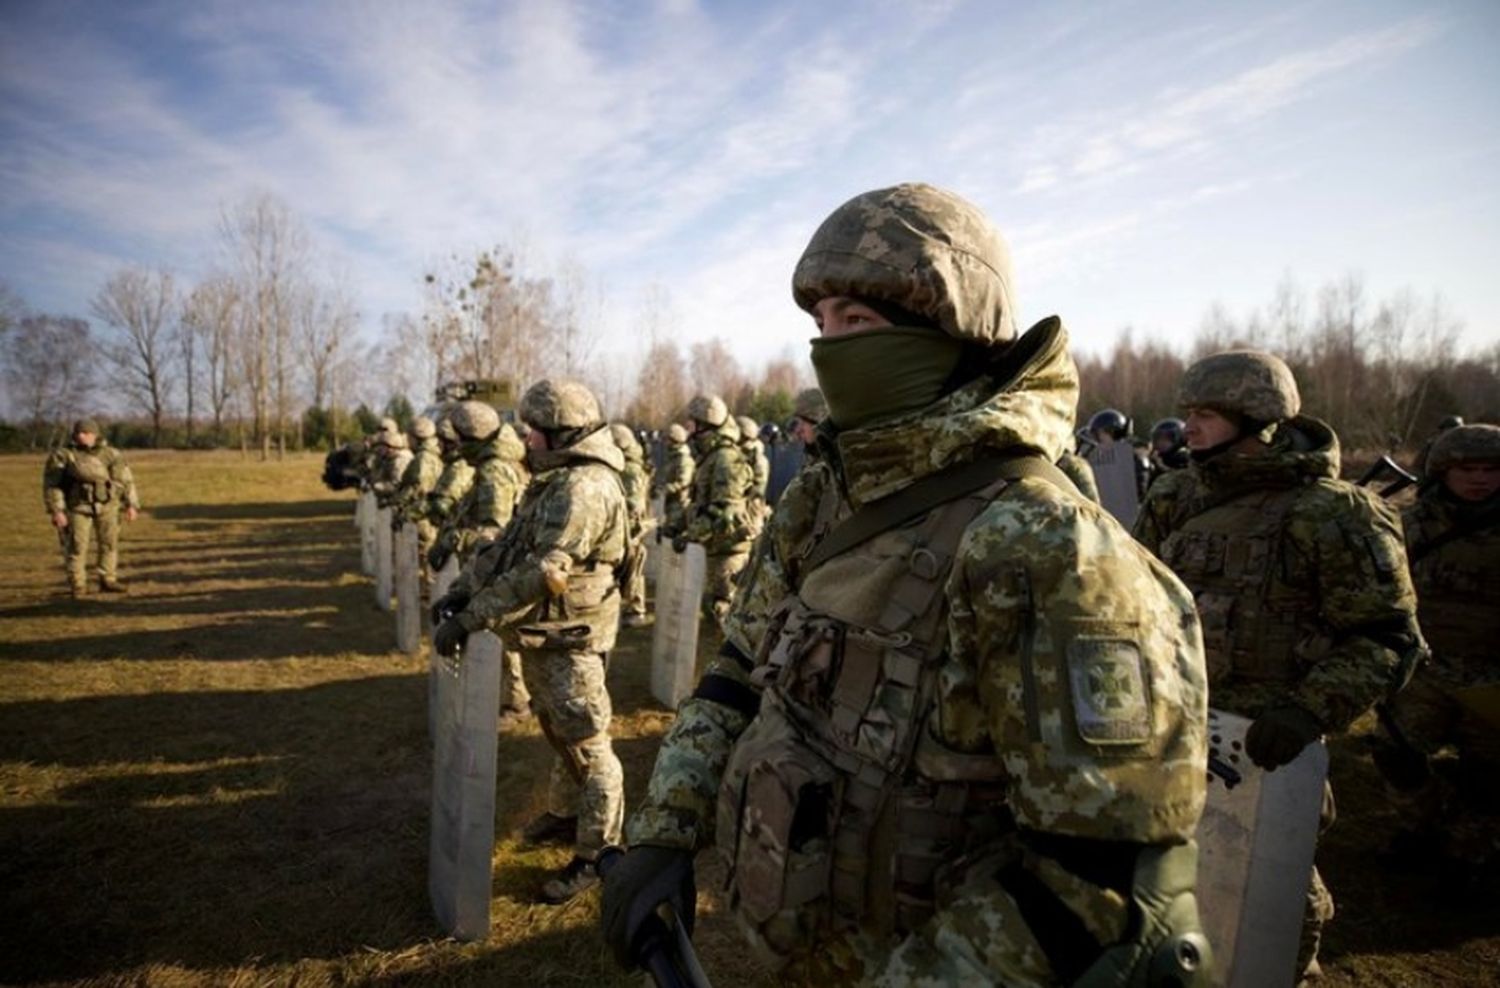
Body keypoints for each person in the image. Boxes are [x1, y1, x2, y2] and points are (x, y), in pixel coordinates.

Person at [603, 183, 1210, 986]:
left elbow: (1100, 893)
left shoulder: (1048, 549)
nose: (828, 347)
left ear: (954, 330)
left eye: (857, 322)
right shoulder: (823, 498)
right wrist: (666, 825)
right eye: (820, 324)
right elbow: (739, 668)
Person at [1133, 350, 1425, 982]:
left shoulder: (1333, 514)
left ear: (1257, 417)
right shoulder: (1174, 494)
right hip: (1174, 731)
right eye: (1187, 413)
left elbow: (1388, 637)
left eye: (1206, 414)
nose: (1190, 426)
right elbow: (1134, 602)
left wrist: (1307, 710)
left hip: (1269, 746)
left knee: (1272, 898)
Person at [432, 380, 629, 905]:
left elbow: (543, 571)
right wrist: (461, 590)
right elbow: (508, 548)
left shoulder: (583, 488)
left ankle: (599, 852)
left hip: (574, 638)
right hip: (548, 634)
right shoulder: (556, 479)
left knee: (588, 742)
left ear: (561, 433)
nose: (523, 436)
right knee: (558, 729)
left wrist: (473, 618)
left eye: (533, 428)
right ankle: (567, 816)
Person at [1378, 423, 1500, 879]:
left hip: (1490, 675)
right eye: (1467, 468)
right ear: (1442, 471)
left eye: (1491, 469)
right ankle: (1419, 828)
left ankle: (1469, 851)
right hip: (1421, 670)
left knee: (1486, 775)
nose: (1480, 478)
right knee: (1397, 756)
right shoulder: (1406, 526)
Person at [678, 394, 756, 623]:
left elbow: (724, 511)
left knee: (725, 609)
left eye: (691, 423)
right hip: (716, 546)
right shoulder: (712, 456)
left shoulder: (726, 459)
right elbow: (701, 503)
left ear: (705, 424)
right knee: (714, 608)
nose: (687, 428)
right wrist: (678, 525)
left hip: (729, 549)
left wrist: (689, 535)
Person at [43, 417, 140, 597]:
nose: (81, 436)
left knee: (109, 544)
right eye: (78, 432)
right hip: (77, 507)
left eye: (86, 433)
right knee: (77, 546)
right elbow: (52, 485)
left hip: (108, 506)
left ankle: (108, 579)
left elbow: (126, 480)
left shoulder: (111, 454)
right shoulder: (63, 455)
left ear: (94, 435)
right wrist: (57, 511)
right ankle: (78, 584)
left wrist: (131, 504)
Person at [611, 422, 652, 628]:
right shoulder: (627, 466)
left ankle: (635, 610)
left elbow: (634, 504)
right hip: (627, 527)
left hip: (630, 529)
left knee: (632, 569)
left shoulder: (629, 469)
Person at [395, 416, 444, 573]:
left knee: (425, 556)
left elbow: (419, 487)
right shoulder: (432, 454)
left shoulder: (424, 458)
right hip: (427, 512)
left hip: (423, 516)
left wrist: (401, 501)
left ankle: (426, 593)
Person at [651, 423, 695, 541]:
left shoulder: (684, 460)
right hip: (672, 505)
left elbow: (684, 481)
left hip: (681, 506)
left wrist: (665, 489)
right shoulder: (673, 458)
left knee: (675, 538)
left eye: (667, 440)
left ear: (674, 440)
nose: (665, 443)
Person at [368, 418, 413, 509]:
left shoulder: (400, 456)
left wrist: (377, 486)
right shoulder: (385, 451)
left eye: (384, 429)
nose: (381, 433)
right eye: (380, 429)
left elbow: (397, 484)